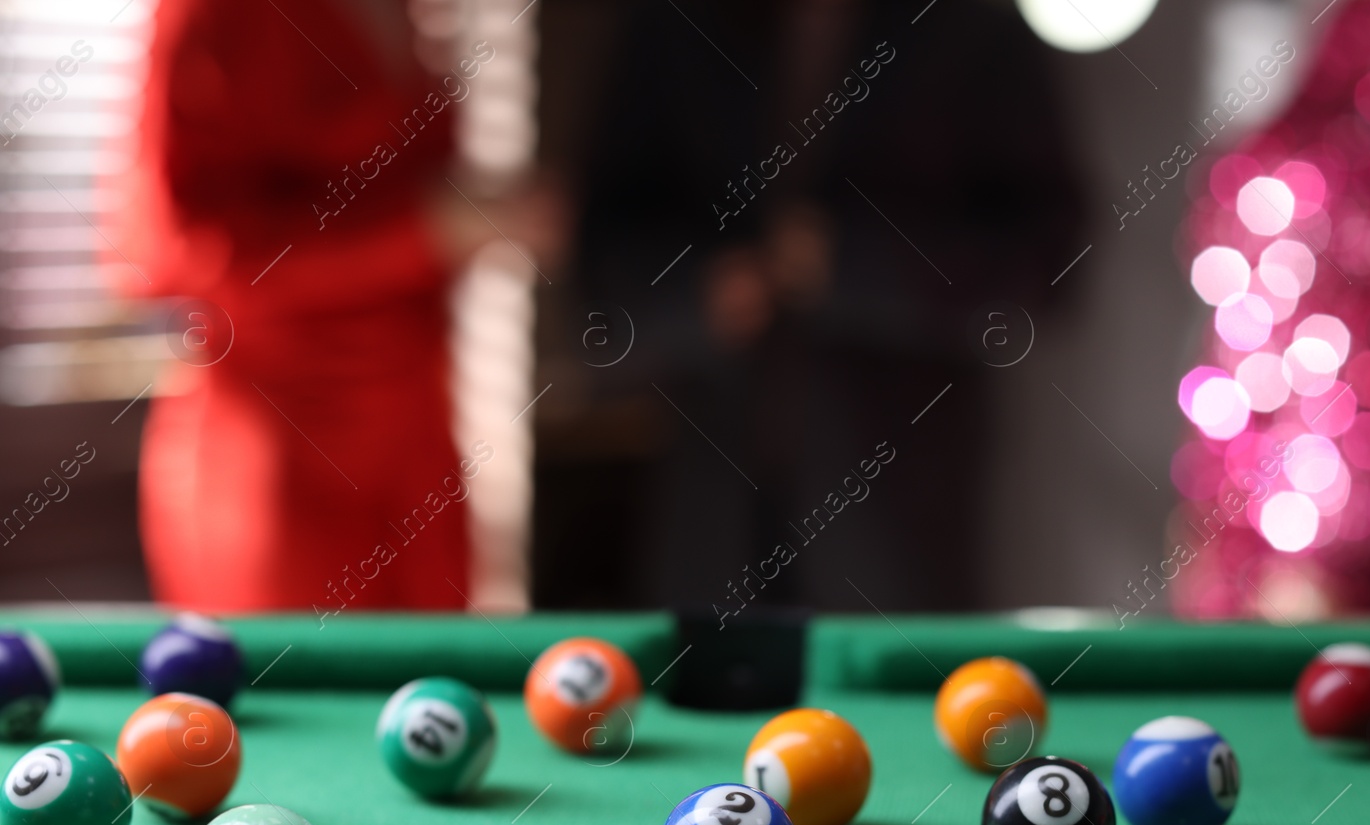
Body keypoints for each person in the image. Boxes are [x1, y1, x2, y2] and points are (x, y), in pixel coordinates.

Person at [570, 0, 1083, 612]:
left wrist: (856, 268)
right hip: (709, 503)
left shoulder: (973, 30)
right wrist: (698, 296)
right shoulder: (676, 24)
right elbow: (601, 255)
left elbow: (1047, 267)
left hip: (900, 512)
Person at [117, 0, 558, 614]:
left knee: (442, 680)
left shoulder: (409, 14)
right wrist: (421, 231)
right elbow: (174, 254)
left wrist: (485, 211)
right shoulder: (209, 12)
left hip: (419, 449)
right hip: (278, 461)